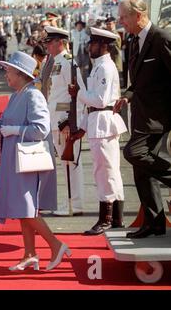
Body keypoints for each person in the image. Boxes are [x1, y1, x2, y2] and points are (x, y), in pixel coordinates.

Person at [0, 51, 71, 271]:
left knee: (26, 209)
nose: (6, 75)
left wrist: (14, 130)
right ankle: (30, 254)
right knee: (22, 209)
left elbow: (41, 129)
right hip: (16, 160)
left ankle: (56, 245)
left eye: (9, 71)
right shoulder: (16, 95)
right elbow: (2, 124)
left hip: (27, 162)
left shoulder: (33, 95)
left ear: (21, 74)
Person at [114, 0, 171, 239]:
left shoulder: (162, 38)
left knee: (133, 153)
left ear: (138, 15)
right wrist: (126, 95)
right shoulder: (133, 41)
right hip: (140, 114)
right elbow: (137, 80)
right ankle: (154, 223)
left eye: (124, 16)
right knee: (141, 170)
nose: (121, 21)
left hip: (158, 116)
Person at [69, 27, 128, 235]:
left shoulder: (104, 67)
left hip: (103, 122)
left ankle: (107, 218)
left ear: (103, 45)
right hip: (98, 121)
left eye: (93, 43)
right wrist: (83, 127)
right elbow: (93, 106)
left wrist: (79, 93)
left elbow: (100, 101)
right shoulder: (99, 66)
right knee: (107, 171)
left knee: (105, 172)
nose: (89, 47)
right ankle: (116, 218)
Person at [43, 26, 85, 216]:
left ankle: (73, 205)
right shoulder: (56, 62)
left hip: (65, 123)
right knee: (65, 164)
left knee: (71, 164)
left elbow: (79, 95)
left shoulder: (68, 63)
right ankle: (69, 202)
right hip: (55, 120)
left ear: (61, 43)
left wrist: (70, 121)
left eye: (50, 42)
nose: (47, 46)